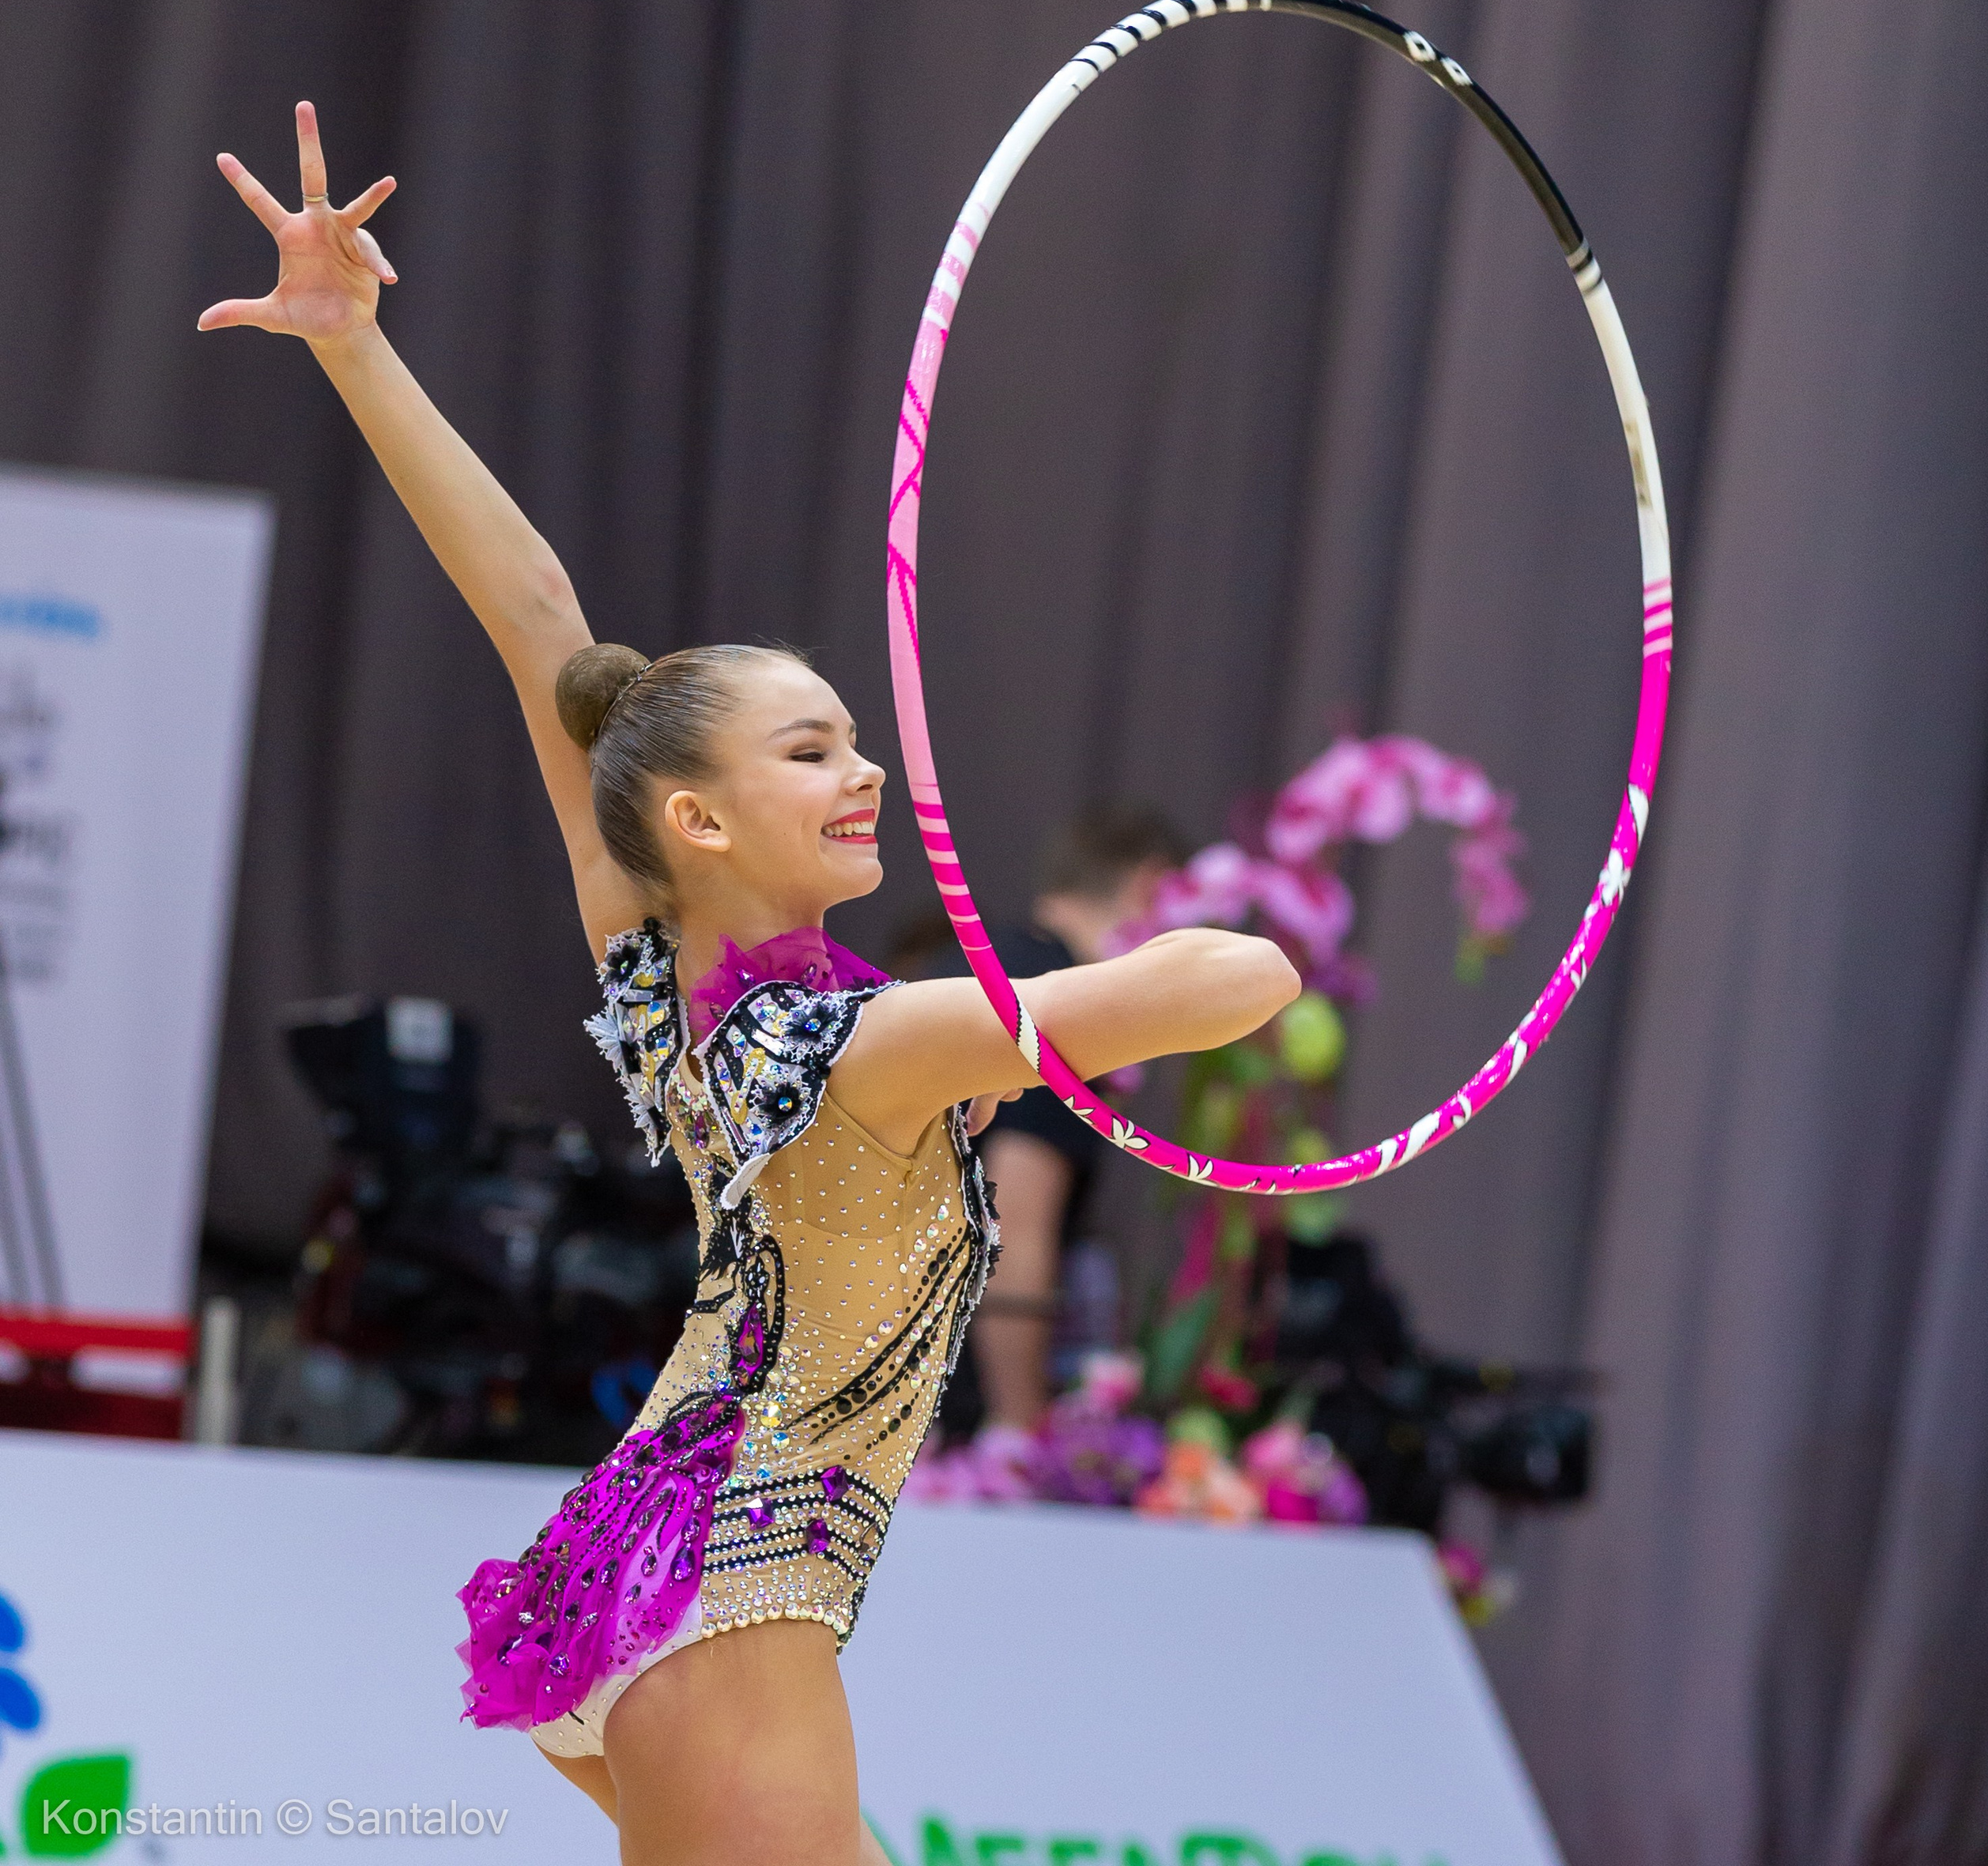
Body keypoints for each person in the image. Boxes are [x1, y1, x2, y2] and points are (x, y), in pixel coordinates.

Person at [200, 104, 1299, 1866]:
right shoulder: (876, 1040)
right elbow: (1241, 980)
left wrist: (354, 343)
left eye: (857, 738)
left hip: (651, 1564)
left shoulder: (666, 975)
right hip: (734, 1578)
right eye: (814, 748)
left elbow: (539, 615)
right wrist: (1137, 966)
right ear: (699, 814)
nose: (860, 770)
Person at [922, 807, 1187, 1445]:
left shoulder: (978, 966)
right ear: (1153, 888)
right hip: (933, 1409)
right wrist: (1017, 1427)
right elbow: (1013, 1225)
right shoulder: (1052, 1000)